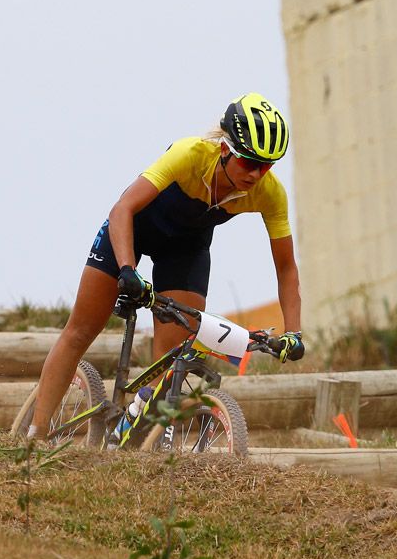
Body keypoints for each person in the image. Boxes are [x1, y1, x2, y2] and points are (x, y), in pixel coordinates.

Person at [27, 93, 305, 439]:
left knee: (173, 356)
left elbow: (286, 269)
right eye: (250, 162)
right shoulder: (189, 155)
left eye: (268, 166)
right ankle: (34, 436)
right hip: (132, 232)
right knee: (80, 331)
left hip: (185, 250)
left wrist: (293, 331)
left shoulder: (270, 193)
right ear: (225, 150)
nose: (258, 174)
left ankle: (138, 432)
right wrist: (128, 270)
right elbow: (122, 209)